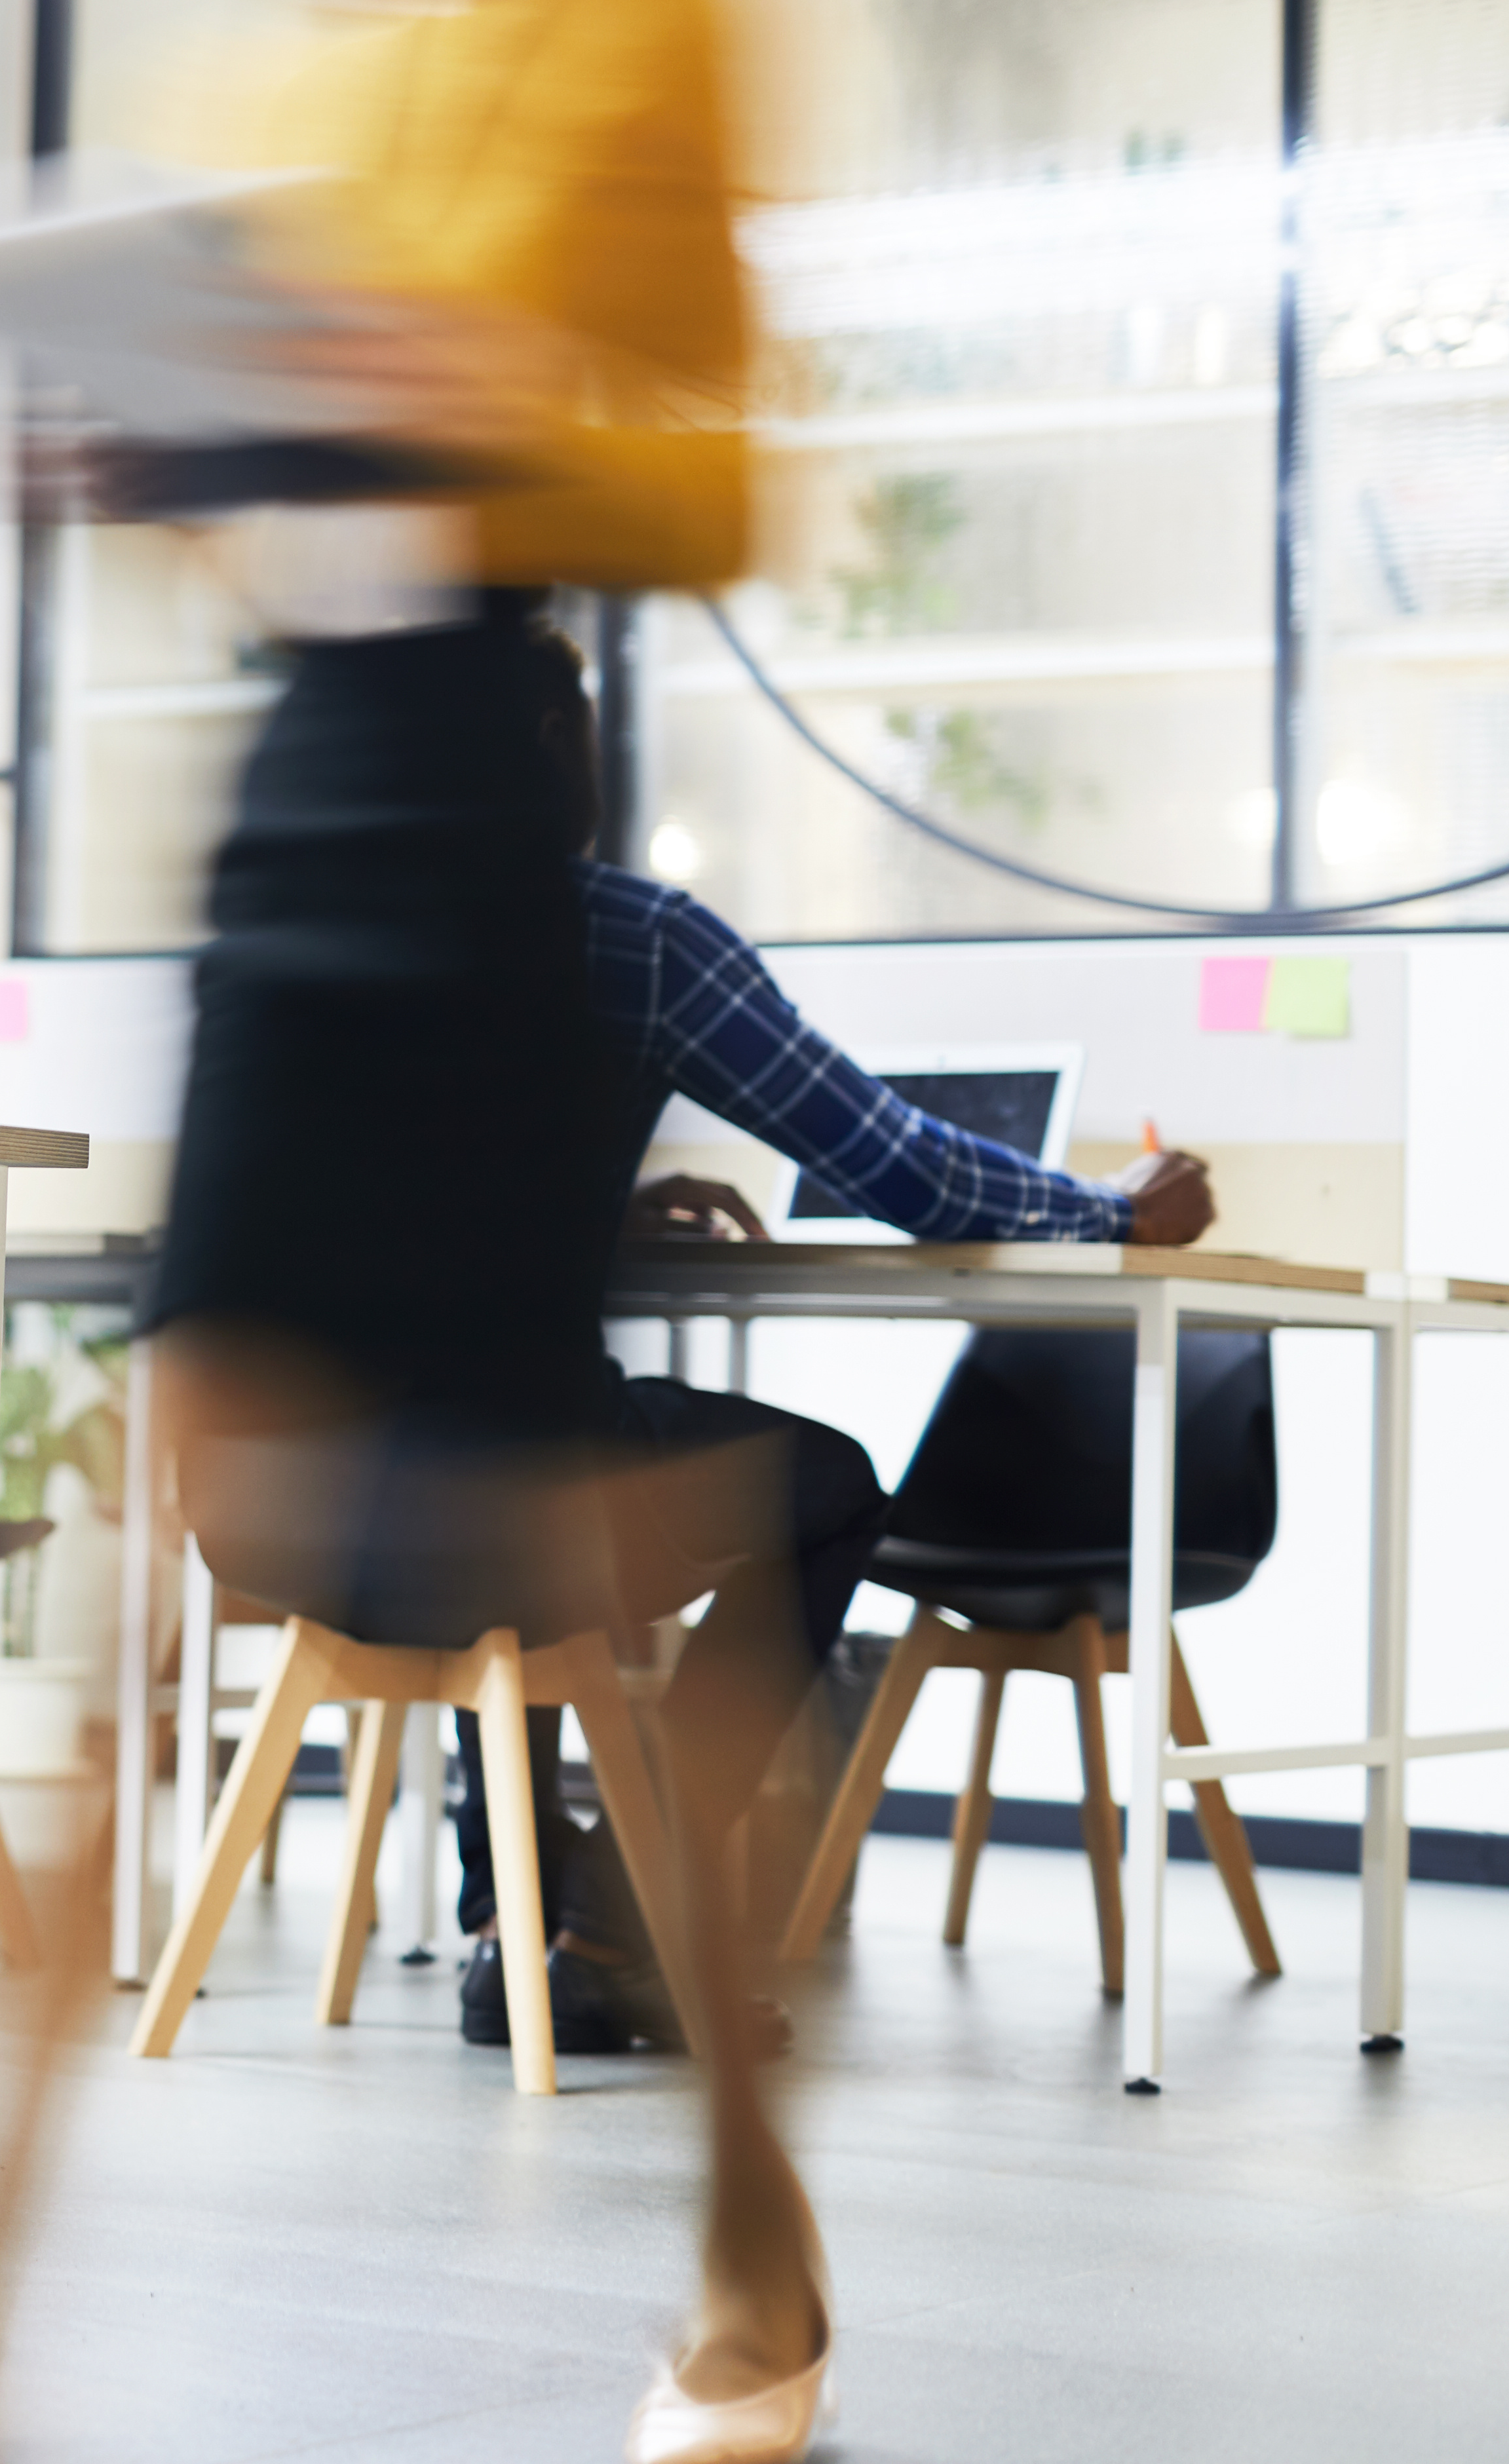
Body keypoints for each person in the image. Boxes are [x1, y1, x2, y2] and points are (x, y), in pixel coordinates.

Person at [124, 0, 831, 2454]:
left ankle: (755, 2248)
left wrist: (462, 392)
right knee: (168, 1493)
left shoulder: (652, 29)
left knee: (553, 1552)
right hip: (288, 797)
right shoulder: (296, 65)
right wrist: (154, 433)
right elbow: (270, 493)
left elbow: (713, 490)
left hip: (472, 791)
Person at [445, 627, 1224, 2054]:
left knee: (470, 1443)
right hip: (514, 1484)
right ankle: (618, 1920)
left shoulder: (296, 952)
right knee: (808, 1483)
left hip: (283, 1503)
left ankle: (503, 1913)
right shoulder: (635, 938)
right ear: (568, 762)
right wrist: (1103, 1206)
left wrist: (597, 1202)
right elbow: (906, 1172)